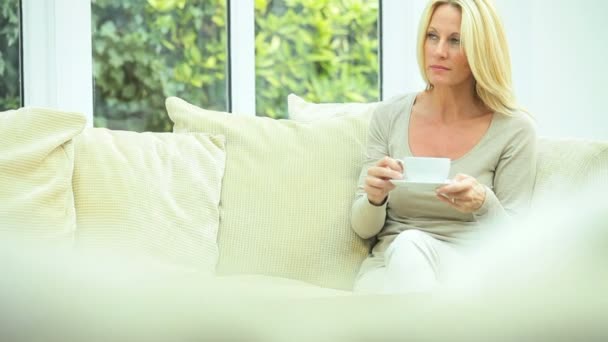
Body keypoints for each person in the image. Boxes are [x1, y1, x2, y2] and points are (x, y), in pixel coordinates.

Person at [351, 0, 537, 294]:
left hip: (470, 270)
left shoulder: (514, 130)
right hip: (388, 268)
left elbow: (516, 243)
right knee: (406, 249)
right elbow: (363, 228)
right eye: (432, 36)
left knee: (410, 248)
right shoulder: (390, 115)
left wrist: (483, 202)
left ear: (481, 50)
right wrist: (374, 198)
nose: (439, 51)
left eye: (455, 41)